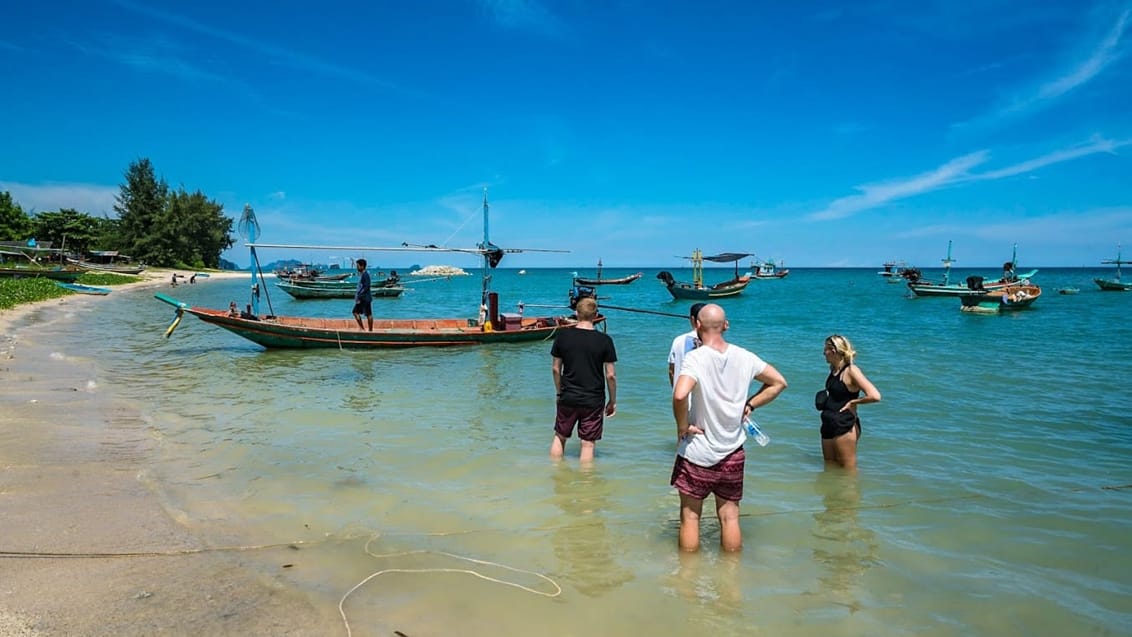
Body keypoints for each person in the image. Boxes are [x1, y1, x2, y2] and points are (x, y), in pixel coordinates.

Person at [671, 303, 787, 552]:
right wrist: (751, 404)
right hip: (733, 451)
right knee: (730, 517)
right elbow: (779, 382)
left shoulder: (695, 357)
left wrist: (683, 426)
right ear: (726, 325)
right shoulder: (745, 356)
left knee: (690, 517)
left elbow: (680, 395)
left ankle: (686, 581)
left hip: (698, 452)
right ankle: (731, 579)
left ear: (696, 325)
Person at [550, 297, 617, 462]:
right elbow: (610, 375)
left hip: (568, 395)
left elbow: (556, 369)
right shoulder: (605, 340)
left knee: (560, 436)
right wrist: (612, 400)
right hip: (593, 399)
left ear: (576, 313)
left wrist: (559, 393)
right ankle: (586, 483)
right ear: (595, 315)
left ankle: (555, 477)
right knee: (588, 443)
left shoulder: (563, 336)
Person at [819, 334, 881, 470]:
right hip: (828, 424)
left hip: (844, 425)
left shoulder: (851, 370)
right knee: (829, 468)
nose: (823, 353)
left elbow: (875, 395)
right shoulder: (834, 370)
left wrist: (854, 402)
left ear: (833, 350)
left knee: (847, 471)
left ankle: (849, 492)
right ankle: (830, 492)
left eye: (826, 349)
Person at [668, 302, 706, 387]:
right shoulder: (713, 342)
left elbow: (671, 371)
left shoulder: (678, 340)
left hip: (680, 395)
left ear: (692, 319)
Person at [352, 258, 373, 331]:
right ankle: (367, 330)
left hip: (364, 298)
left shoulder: (365, 275)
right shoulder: (363, 275)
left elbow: (366, 286)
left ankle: (364, 329)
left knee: (356, 312)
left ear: (362, 266)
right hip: (365, 297)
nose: (357, 267)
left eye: (357, 266)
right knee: (368, 314)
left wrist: (359, 296)